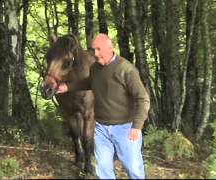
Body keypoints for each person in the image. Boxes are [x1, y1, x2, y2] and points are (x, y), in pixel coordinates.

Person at [56, 33, 150, 179]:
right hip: (101, 128)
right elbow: (88, 83)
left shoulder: (126, 69)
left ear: (110, 47)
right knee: (103, 169)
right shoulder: (95, 68)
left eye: (99, 49)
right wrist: (67, 87)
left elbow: (143, 98)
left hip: (124, 128)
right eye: (94, 49)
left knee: (133, 168)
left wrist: (137, 126)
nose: (95, 54)